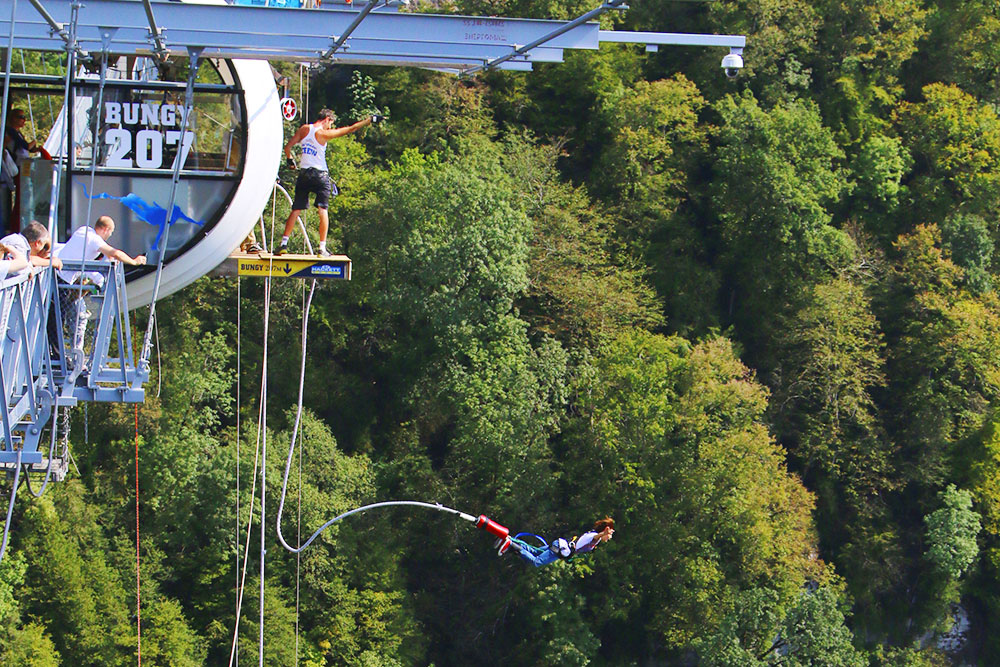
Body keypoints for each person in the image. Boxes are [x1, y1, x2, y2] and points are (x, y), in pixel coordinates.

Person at [275, 109, 382, 257]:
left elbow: (288, 148)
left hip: (304, 174)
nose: (330, 128)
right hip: (320, 175)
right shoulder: (323, 134)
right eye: (330, 124)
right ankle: (322, 248)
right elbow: (350, 129)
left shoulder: (304, 129)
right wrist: (369, 120)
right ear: (326, 119)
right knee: (322, 210)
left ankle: (283, 244)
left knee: (296, 209)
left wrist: (290, 160)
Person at [52, 216, 146, 358]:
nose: (109, 236)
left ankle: (54, 353)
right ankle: (56, 355)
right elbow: (115, 253)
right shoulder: (95, 240)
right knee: (57, 321)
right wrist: (134, 261)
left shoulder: (83, 230)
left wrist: (107, 259)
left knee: (53, 319)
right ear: (106, 229)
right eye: (111, 232)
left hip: (54, 276)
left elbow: (86, 257)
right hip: (62, 282)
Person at [508, 517, 616, 568]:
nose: (609, 537)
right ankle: (512, 545)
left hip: (559, 545)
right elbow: (597, 536)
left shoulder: (592, 535)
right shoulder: (594, 537)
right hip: (560, 549)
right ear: (605, 531)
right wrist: (603, 534)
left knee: (535, 551)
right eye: (609, 534)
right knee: (536, 562)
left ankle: (511, 541)